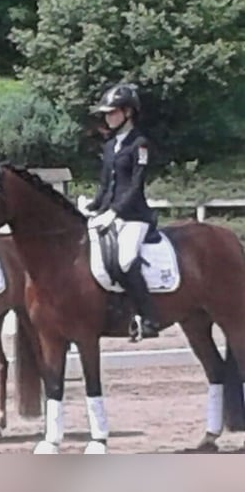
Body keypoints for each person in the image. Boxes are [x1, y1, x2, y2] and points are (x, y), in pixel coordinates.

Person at [86, 83, 160, 341]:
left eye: (113, 112)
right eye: (106, 113)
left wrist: (115, 211)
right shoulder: (109, 146)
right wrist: (94, 206)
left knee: (126, 259)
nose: (108, 117)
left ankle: (148, 317)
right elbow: (106, 184)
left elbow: (135, 185)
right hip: (110, 213)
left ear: (128, 112)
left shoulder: (140, 144)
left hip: (135, 216)